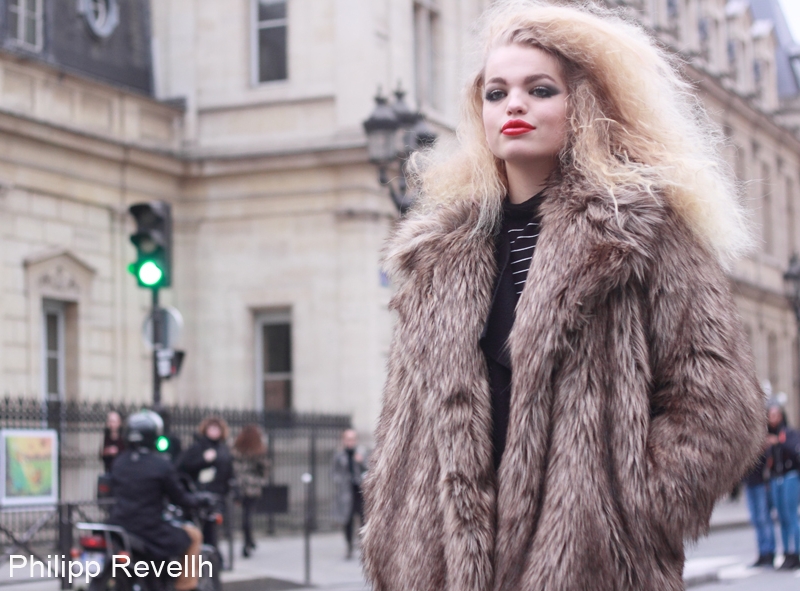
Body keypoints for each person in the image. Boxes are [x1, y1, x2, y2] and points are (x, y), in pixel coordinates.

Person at [360, 2, 765, 590]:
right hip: (448, 571)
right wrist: (393, 539)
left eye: (540, 89)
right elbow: (405, 424)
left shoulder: (641, 233)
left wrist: (628, 515)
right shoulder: (437, 256)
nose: (513, 104)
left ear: (585, 105)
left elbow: (719, 406)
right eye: (496, 92)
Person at [109, 410, 203, 591]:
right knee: (194, 536)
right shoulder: (160, 464)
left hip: (120, 526)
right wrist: (198, 501)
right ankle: (185, 587)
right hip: (149, 529)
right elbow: (180, 497)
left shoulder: (119, 462)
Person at [177, 416, 234, 549]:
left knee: (214, 527)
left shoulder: (223, 449)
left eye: (217, 429)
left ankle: (213, 552)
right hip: (200, 493)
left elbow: (229, 471)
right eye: (211, 428)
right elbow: (183, 467)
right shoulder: (197, 447)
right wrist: (203, 460)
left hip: (219, 493)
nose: (214, 432)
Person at [766, 402, 800, 570]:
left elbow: (795, 450)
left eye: (775, 415)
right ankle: (787, 553)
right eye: (770, 415)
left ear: (781, 416)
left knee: (791, 515)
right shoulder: (767, 436)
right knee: (781, 518)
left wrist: (778, 442)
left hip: (790, 476)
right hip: (775, 478)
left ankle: (797, 553)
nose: (773, 418)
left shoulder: (789, 433)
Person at [232, 424, 269, 558]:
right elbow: (264, 469)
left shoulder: (236, 449)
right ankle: (248, 542)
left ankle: (249, 541)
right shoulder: (258, 450)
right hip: (252, 487)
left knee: (245, 516)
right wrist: (260, 481)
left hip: (239, 486)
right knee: (247, 516)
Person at [332, 429, 368, 559]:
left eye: (352, 439)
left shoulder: (361, 452)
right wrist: (341, 481)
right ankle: (349, 546)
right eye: (348, 439)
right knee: (347, 520)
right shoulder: (339, 455)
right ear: (344, 440)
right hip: (346, 493)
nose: (350, 442)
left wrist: (361, 461)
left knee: (364, 519)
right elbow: (334, 473)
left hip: (360, 492)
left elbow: (370, 469)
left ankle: (364, 546)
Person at [743, 449, 775, 567]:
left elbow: (767, 460)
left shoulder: (761, 444)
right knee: (755, 519)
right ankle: (762, 553)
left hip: (761, 483)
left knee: (763, 518)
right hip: (749, 484)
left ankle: (769, 553)